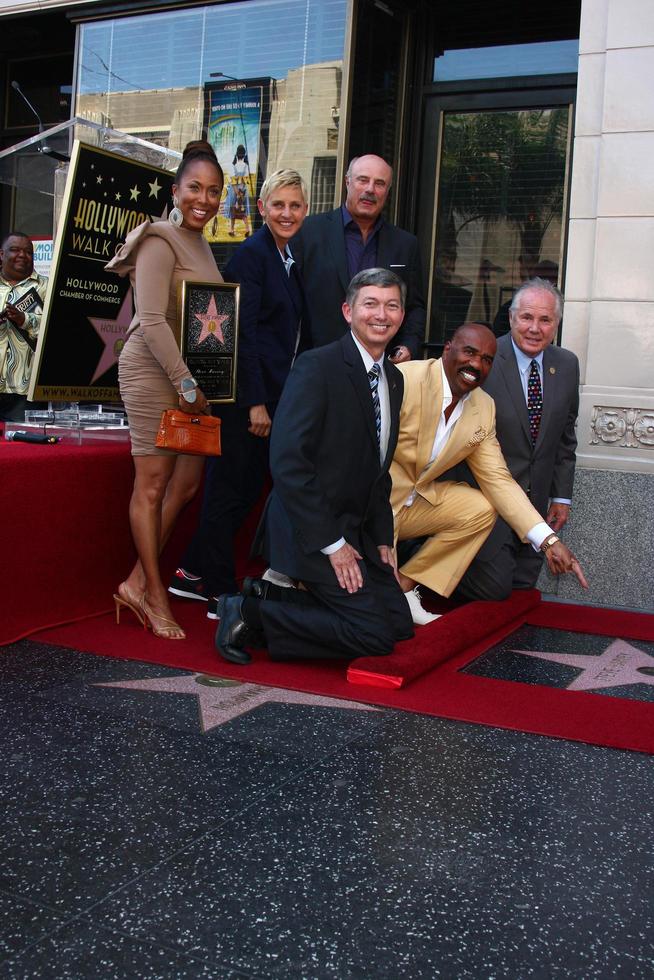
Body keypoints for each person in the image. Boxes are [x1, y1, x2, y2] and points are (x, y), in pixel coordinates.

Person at [214, 268, 413, 665]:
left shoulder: (393, 378)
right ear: (347, 310)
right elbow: (288, 463)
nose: (381, 314)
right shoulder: (317, 366)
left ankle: (272, 597)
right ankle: (248, 614)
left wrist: (382, 538)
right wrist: (334, 546)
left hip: (352, 527)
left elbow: (377, 470)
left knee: (398, 623)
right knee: (374, 635)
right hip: (309, 529)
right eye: (370, 303)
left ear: (402, 316)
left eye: (392, 306)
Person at [169, 169, 311, 619]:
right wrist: (254, 402)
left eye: (295, 205)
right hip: (246, 400)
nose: (287, 213)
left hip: (270, 396)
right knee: (229, 491)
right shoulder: (252, 256)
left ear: (305, 211)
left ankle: (190, 573)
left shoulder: (286, 256)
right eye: (278, 205)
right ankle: (216, 588)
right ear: (262, 209)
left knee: (246, 489)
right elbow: (241, 336)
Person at [390, 322, 587, 625]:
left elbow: (498, 480)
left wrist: (548, 541)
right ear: (447, 350)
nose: (476, 364)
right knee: (365, 618)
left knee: (481, 507)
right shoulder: (404, 379)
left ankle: (404, 587)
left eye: (486, 359)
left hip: (415, 505)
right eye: (469, 352)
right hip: (368, 506)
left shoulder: (483, 407)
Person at [105, 140, 224, 639]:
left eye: (214, 190)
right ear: (176, 191)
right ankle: (154, 596)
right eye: (194, 187)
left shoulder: (204, 244)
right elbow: (151, 321)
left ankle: (134, 582)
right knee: (152, 487)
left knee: (187, 485)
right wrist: (186, 382)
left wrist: (201, 382)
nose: (204, 198)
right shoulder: (157, 239)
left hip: (189, 380)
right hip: (155, 372)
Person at [454, 278, 579, 601]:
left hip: (537, 502)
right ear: (511, 318)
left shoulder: (566, 365)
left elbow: (565, 437)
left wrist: (561, 497)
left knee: (523, 592)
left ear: (556, 324)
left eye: (545, 319)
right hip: (487, 501)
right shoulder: (484, 360)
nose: (535, 328)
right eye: (527, 317)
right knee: (495, 587)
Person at [290, 154, 425, 361]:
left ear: (387, 192)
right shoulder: (308, 233)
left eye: (379, 183)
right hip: (319, 365)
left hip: (380, 367)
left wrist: (408, 346)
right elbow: (288, 304)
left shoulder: (405, 244)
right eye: (363, 180)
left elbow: (414, 307)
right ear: (347, 182)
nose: (370, 189)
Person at [0, 232, 48, 421]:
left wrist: (24, 319)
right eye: (15, 250)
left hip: (25, 391)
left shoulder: (47, 287)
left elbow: (59, 330)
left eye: (28, 252)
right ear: (2, 254)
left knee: (22, 448)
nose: (22, 255)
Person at [222, 144, 252, 239]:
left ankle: (231, 229)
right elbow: (245, 180)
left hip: (233, 191)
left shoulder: (233, 166)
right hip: (243, 190)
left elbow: (233, 181)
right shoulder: (246, 166)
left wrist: (236, 193)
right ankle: (247, 229)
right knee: (242, 210)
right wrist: (241, 193)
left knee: (233, 210)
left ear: (237, 154)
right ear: (243, 155)